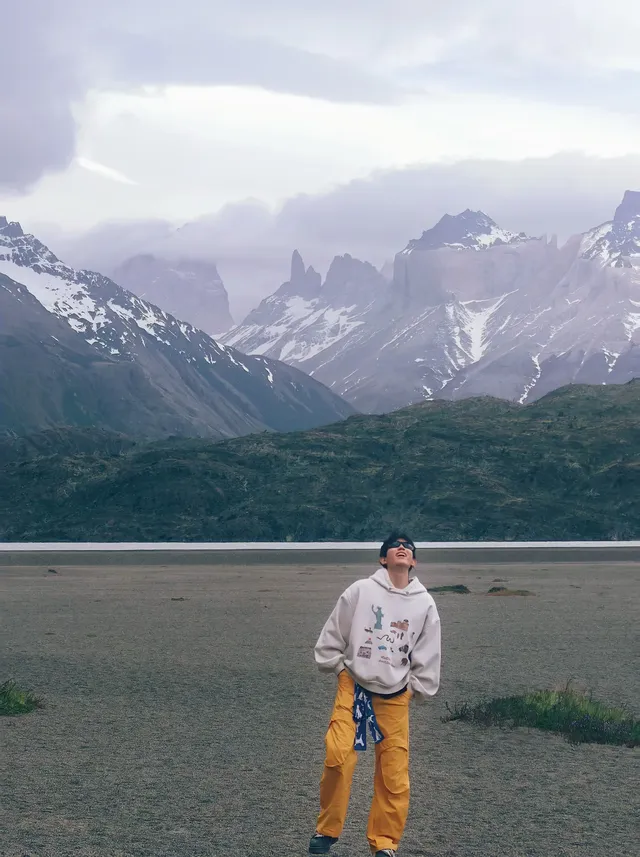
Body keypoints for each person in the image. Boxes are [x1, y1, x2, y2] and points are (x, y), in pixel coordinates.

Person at [309, 533, 441, 857]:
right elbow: (331, 637)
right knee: (337, 754)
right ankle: (327, 831)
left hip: (395, 696)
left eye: (407, 547)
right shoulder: (361, 591)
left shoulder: (424, 603)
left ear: (413, 562)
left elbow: (428, 654)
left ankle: (385, 844)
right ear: (383, 558)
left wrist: (413, 690)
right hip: (354, 686)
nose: (401, 548)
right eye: (394, 546)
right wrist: (340, 670)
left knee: (393, 774)